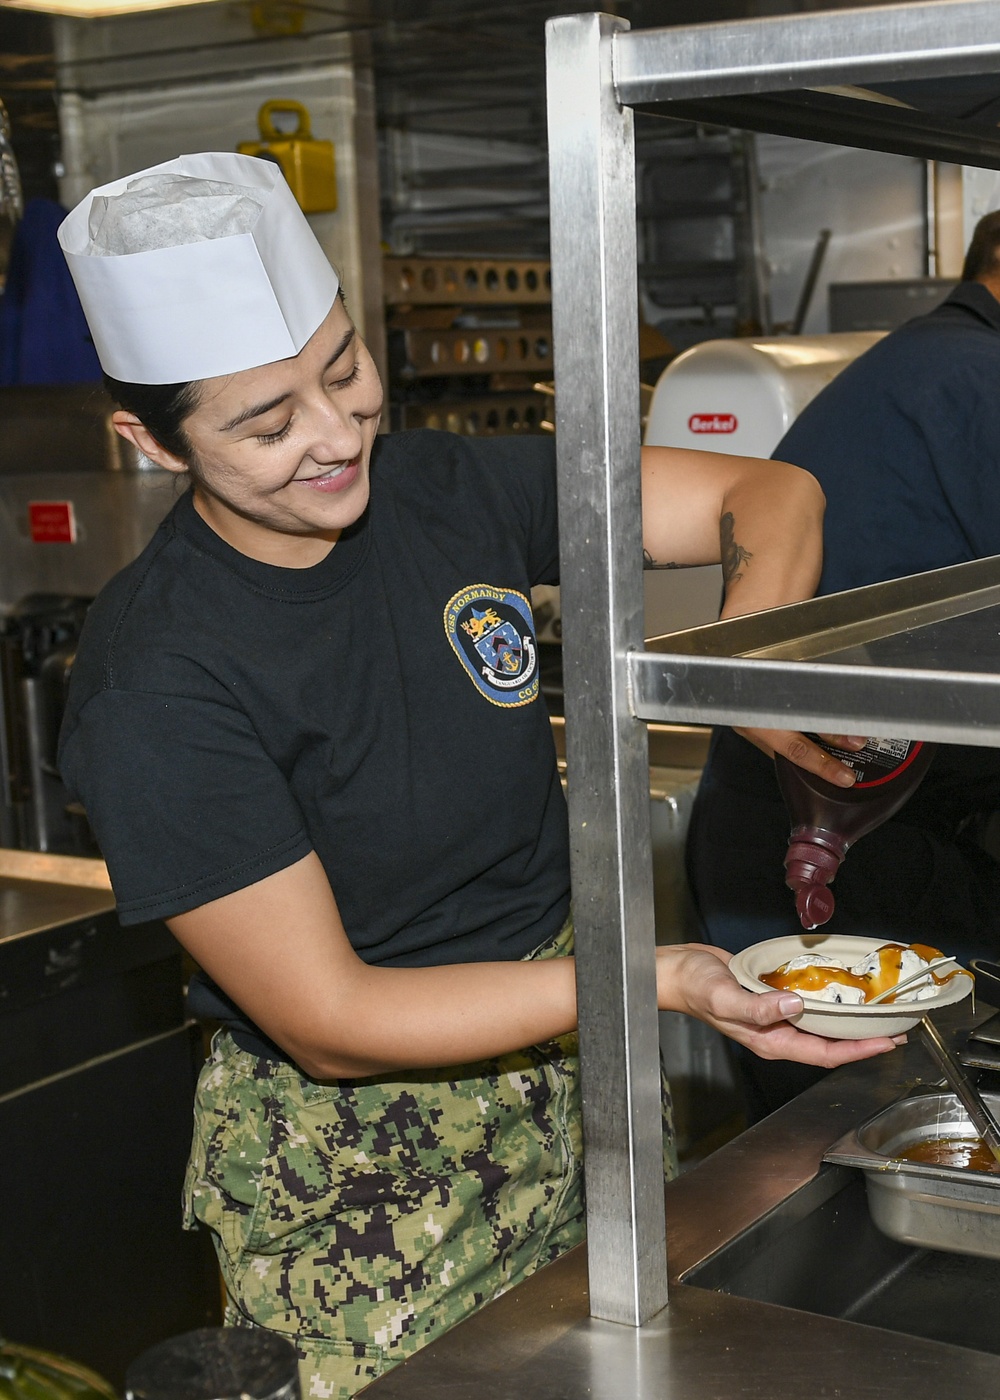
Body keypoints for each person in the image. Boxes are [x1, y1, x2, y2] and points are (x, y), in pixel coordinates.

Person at [56, 153, 899, 1399]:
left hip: (583, 1087)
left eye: (344, 368)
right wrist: (650, 977)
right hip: (365, 1184)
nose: (338, 435)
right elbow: (330, 1021)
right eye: (267, 421)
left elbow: (767, 492)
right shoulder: (157, 676)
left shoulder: (441, 487)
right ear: (148, 439)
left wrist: (746, 682)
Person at [686, 208, 1000, 1120]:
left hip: (886, 829)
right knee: (838, 1155)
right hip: (821, 845)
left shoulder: (938, 364)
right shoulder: (970, 378)